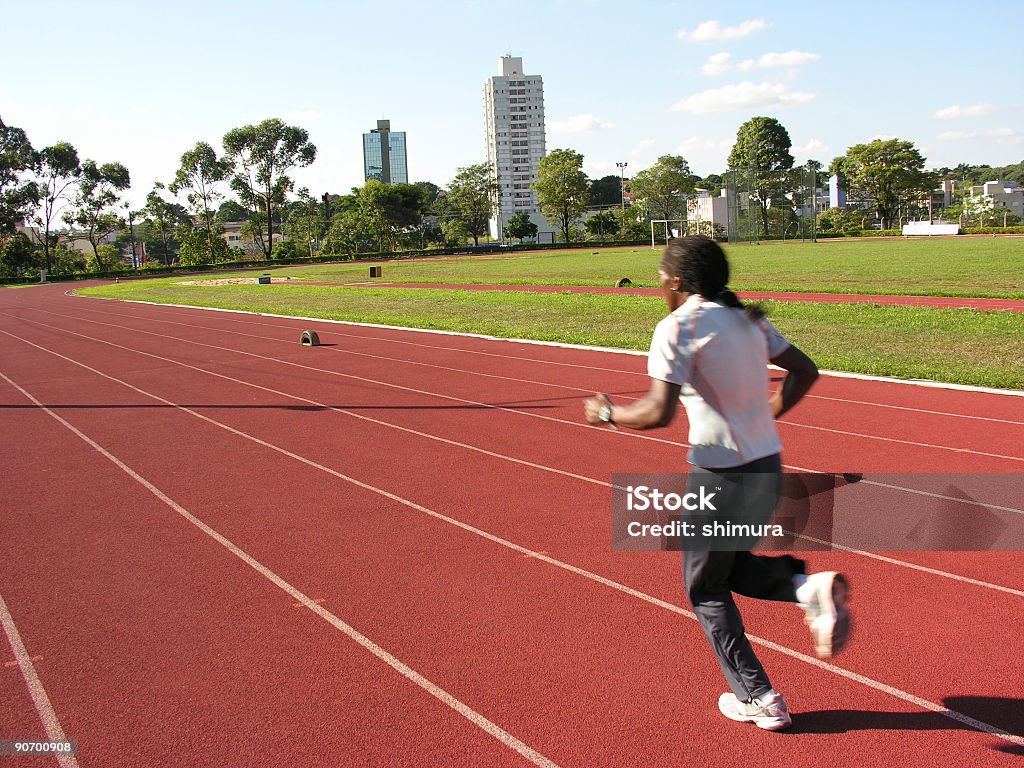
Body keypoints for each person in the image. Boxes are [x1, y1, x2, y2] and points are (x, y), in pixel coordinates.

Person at [583, 236, 850, 731]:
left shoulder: (678, 326)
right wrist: (771, 413)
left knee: (704, 588)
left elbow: (657, 412)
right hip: (766, 466)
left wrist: (607, 413)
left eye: (661, 275)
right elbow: (804, 370)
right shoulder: (748, 320)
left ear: (678, 280)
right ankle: (804, 586)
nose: (658, 283)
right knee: (728, 569)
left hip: (720, 474)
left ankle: (759, 697)